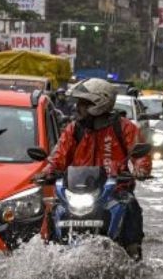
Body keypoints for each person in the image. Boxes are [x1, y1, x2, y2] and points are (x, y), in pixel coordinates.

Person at [38, 77, 152, 258]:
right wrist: (46, 173)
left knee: (130, 205)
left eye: (83, 104)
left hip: (114, 191)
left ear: (99, 103)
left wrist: (141, 169)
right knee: (53, 209)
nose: (77, 108)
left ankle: (133, 250)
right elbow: (57, 157)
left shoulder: (124, 128)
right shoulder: (73, 129)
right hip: (77, 190)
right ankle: (46, 250)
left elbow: (140, 155)